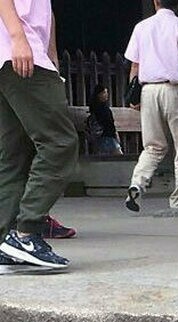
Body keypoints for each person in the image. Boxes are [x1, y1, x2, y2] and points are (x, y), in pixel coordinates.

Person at [0, 0, 78, 271]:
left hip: (15, 52)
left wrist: (51, 54)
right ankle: (26, 231)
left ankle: (5, 244)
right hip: (19, 50)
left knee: (14, 153)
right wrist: (18, 38)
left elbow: (47, 11)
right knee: (60, 142)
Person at [123, 0, 178, 216]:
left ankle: (137, 184)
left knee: (153, 146)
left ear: (155, 2)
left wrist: (134, 95)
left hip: (148, 90)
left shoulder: (141, 27)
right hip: (174, 90)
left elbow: (134, 66)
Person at [86, 81, 122, 155]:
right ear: (99, 94)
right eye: (104, 92)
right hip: (108, 137)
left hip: (99, 138)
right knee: (119, 157)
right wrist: (115, 134)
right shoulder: (103, 109)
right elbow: (109, 123)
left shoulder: (94, 108)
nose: (107, 95)